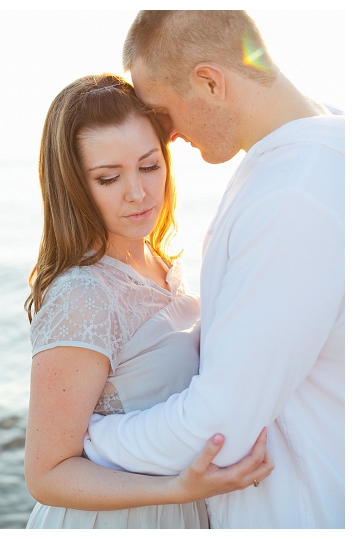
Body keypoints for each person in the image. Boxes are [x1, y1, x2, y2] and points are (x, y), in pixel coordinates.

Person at [82, 11, 344, 529]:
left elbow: (218, 429)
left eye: (161, 112)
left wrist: (90, 435)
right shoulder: (323, 146)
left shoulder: (292, 198)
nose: (168, 136)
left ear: (209, 81)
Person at [23, 73, 273, 529]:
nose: (137, 193)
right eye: (108, 177)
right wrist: (173, 490)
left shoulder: (162, 265)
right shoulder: (83, 296)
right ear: (75, 185)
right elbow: (46, 474)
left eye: (149, 165)